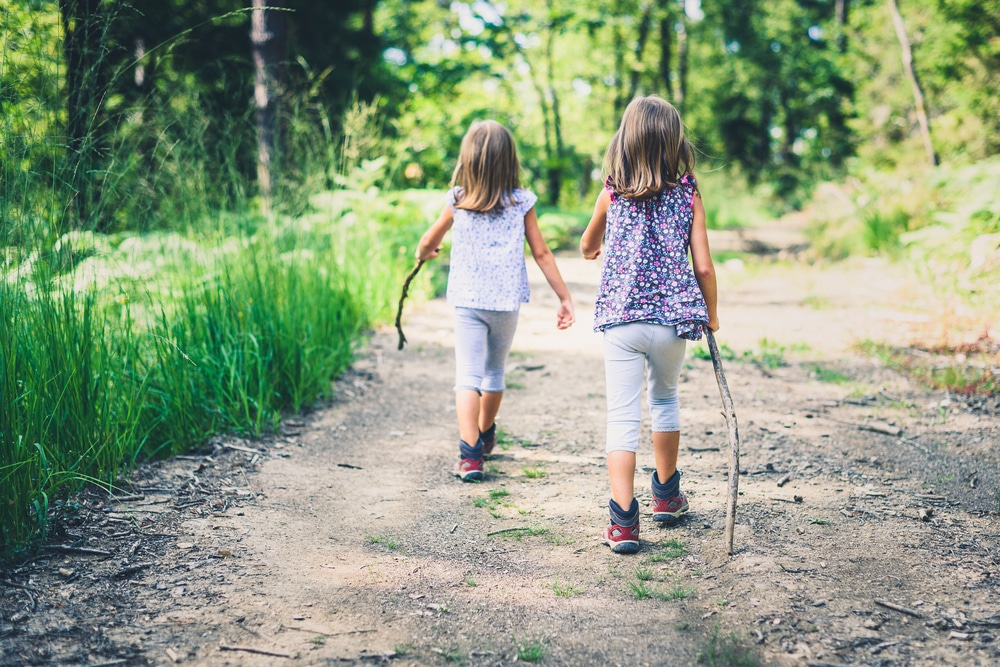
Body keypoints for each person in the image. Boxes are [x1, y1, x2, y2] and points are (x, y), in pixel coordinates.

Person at [580, 96, 719, 554]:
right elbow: (703, 267)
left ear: (627, 140)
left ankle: (622, 522)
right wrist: (711, 313)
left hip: (621, 319)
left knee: (621, 414)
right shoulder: (689, 193)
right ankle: (666, 497)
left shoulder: (612, 192)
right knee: (665, 398)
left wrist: (595, 247)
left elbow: (586, 244)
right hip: (671, 320)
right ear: (674, 142)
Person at [417, 120, 576, 482]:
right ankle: (485, 433)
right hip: (505, 303)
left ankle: (470, 454)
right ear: (510, 161)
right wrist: (564, 297)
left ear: (468, 159)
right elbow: (543, 253)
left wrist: (425, 252)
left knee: (467, 376)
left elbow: (428, 241)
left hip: (468, 301)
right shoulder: (522, 202)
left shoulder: (457, 200)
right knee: (493, 372)